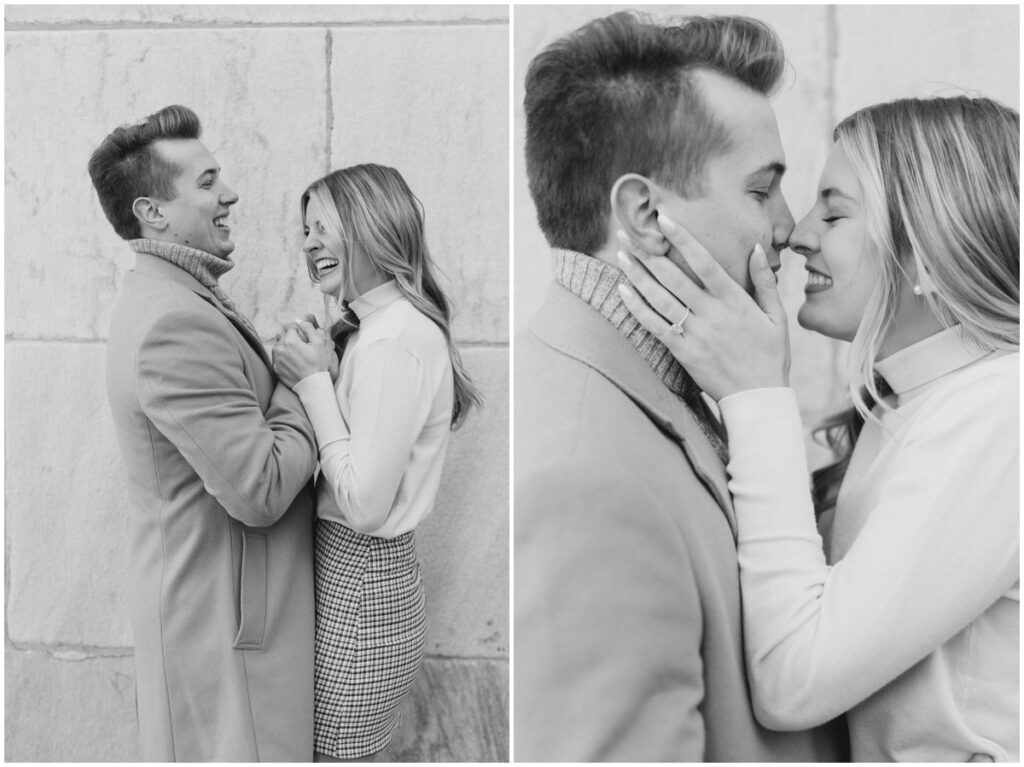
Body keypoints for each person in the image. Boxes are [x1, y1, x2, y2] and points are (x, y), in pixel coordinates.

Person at [618, 95, 1019, 760]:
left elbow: (793, 680)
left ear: (925, 253)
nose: (799, 233)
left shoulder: (1000, 410)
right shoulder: (920, 401)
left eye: (834, 211)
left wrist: (757, 396)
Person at [515, 11, 845, 761]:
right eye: (763, 190)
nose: (790, 227)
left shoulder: (678, 383)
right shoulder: (580, 477)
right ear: (645, 212)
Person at [90, 105, 319, 760]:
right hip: (222, 630)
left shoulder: (180, 299)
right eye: (207, 180)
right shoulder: (172, 324)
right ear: (152, 212)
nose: (230, 194)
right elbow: (262, 486)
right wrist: (307, 385)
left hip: (227, 619)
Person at [271, 164, 481, 761]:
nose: (308, 244)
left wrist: (313, 383)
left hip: (362, 584)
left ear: (369, 225)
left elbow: (364, 504)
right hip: (354, 581)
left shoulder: (392, 340)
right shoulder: (375, 330)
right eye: (304, 231)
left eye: (322, 228)